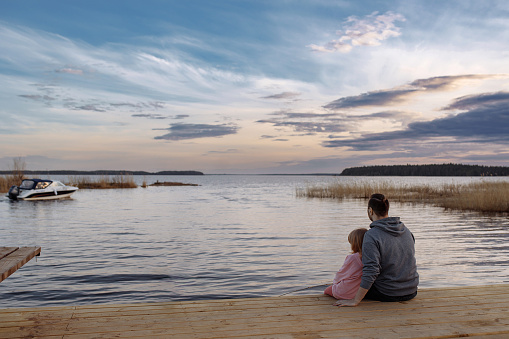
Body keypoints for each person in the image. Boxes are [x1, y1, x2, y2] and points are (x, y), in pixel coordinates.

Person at [335, 193, 419, 307]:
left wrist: (355, 300)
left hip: (388, 293)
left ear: (370, 211)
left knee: (344, 288)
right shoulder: (406, 231)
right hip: (411, 291)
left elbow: (371, 270)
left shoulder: (372, 235)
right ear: (387, 209)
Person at [324, 228, 368, 299]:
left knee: (327, 290)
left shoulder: (352, 258)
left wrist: (335, 283)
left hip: (346, 291)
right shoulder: (371, 258)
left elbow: (341, 274)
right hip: (361, 292)